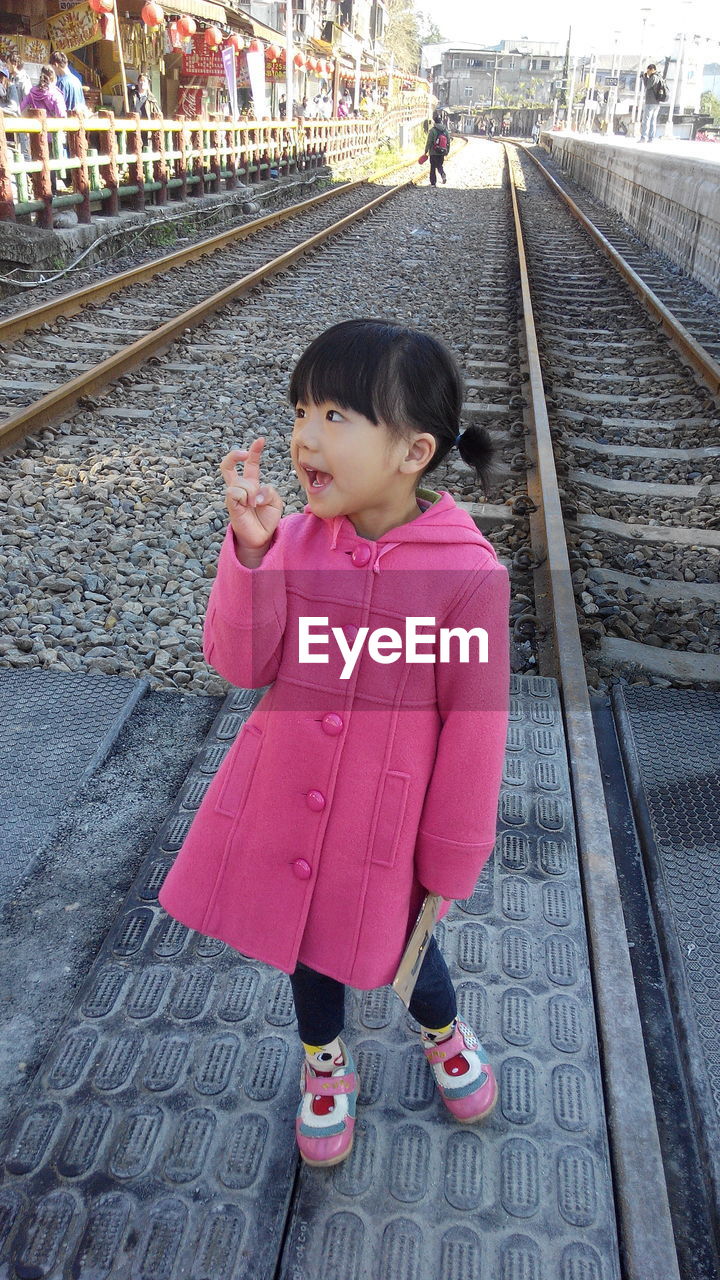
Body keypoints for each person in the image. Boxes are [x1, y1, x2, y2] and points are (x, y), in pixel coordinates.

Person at [158, 319, 510, 1169]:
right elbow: (244, 664)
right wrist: (250, 552)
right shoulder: (293, 543)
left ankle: (441, 1030)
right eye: (300, 410)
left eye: (335, 416)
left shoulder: (468, 577)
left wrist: (451, 858)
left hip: (381, 825)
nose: (304, 436)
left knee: (406, 948)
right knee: (303, 948)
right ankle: (324, 1062)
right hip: (285, 800)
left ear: (413, 452)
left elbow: (475, 726)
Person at [422, 109, 450, 186]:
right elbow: (448, 142)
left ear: (434, 121)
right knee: (439, 165)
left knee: (433, 167)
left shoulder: (432, 130)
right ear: (441, 121)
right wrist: (447, 151)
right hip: (442, 152)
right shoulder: (445, 131)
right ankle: (442, 174)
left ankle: (433, 183)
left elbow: (429, 141)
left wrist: (426, 151)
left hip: (433, 152)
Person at [640, 63, 664, 142]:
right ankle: (651, 138)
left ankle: (644, 137)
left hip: (650, 102)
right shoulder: (659, 77)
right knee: (653, 121)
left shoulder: (653, 77)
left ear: (652, 70)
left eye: (648, 71)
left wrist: (644, 77)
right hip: (656, 103)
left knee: (646, 120)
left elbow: (648, 86)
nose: (648, 72)